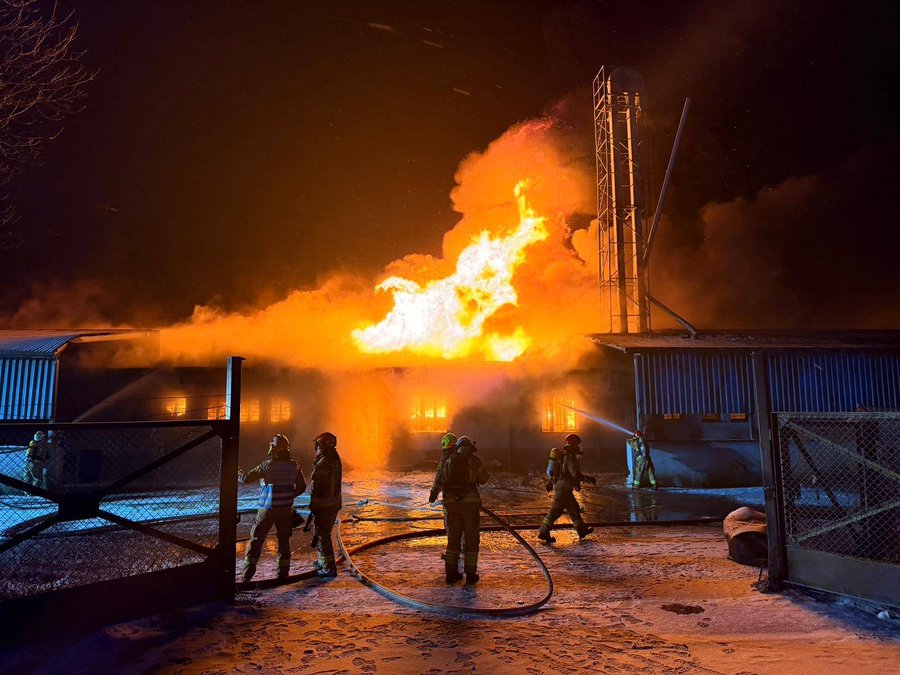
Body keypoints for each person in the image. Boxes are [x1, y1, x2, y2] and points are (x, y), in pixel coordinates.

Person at [239, 433, 306, 582]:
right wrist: (289, 496)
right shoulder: (294, 466)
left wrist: (236, 471)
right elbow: (302, 487)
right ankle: (283, 574)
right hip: (285, 510)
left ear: (273, 448)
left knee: (256, 540)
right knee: (283, 541)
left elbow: (245, 479)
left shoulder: (266, 465)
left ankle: (246, 576)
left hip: (266, 510)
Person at [431, 435, 489, 584]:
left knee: (453, 539)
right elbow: (484, 479)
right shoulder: (475, 461)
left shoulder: (449, 460)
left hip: (452, 505)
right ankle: (470, 574)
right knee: (471, 539)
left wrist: (433, 494)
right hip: (470, 505)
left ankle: (451, 574)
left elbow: (440, 479)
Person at [538, 433, 596, 543]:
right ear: (573, 444)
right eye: (577, 444)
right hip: (564, 487)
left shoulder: (562, 454)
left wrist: (551, 481)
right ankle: (543, 531)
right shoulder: (570, 456)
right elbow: (574, 473)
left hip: (563, 486)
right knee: (555, 511)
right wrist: (588, 479)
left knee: (573, 509)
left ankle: (581, 530)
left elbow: (558, 471)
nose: (579, 446)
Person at [309, 431, 343, 578]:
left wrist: (314, 505)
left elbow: (318, 487)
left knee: (322, 534)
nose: (316, 447)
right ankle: (323, 561)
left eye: (318, 444)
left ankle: (328, 568)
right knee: (323, 533)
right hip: (334, 502)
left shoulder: (323, 462)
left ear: (321, 445)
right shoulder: (335, 459)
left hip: (324, 504)